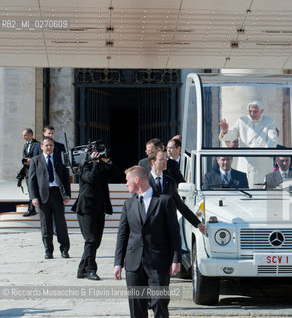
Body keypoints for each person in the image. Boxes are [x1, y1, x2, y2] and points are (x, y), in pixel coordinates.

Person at [114, 166, 181, 318]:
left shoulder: (164, 201)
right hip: (134, 264)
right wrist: (118, 263)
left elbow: (174, 234)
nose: (126, 184)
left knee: (159, 302)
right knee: (136, 307)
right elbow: (122, 235)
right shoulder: (128, 205)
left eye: (127, 180)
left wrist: (176, 259)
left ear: (136, 180)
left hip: (158, 263)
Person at [72, 152, 115, 280]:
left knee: (96, 241)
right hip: (86, 209)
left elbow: (116, 173)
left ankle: (81, 269)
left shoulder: (101, 167)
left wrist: (107, 162)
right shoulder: (83, 167)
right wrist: (95, 163)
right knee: (90, 240)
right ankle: (90, 270)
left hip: (99, 208)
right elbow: (91, 178)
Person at [28, 136, 71, 259]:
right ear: (41, 147)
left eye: (51, 145)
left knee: (61, 224)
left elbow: (65, 178)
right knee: (45, 225)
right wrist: (33, 197)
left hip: (57, 195)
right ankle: (48, 251)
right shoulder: (35, 160)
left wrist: (67, 194)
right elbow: (32, 181)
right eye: (46, 145)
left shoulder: (59, 159)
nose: (49, 147)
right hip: (42, 197)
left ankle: (64, 250)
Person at [219, 100, 277, 187]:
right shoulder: (242, 120)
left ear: (261, 111)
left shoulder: (269, 121)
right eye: (250, 111)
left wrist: (266, 152)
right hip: (245, 164)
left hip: (261, 164)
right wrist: (225, 131)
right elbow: (232, 135)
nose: (252, 114)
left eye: (255, 111)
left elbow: (273, 139)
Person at [149, 150, 205, 235]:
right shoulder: (144, 181)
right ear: (153, 162)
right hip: (150, 230)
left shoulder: (171, 182)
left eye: (166, 159)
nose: (165, 162)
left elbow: (180, 205)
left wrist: (197, 223)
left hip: (168, 230)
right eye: (161, 160)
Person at [19, 128, 42, 217]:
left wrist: (31, 161)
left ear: (30, 135)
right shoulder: (25, 146)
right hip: (28, 171)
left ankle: (32, 209)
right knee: (30, 189)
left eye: (25, 135)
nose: (23, 137)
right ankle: (31, 209)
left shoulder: (38, 145)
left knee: (34, 189)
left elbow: (40, 157)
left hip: (36, 171)